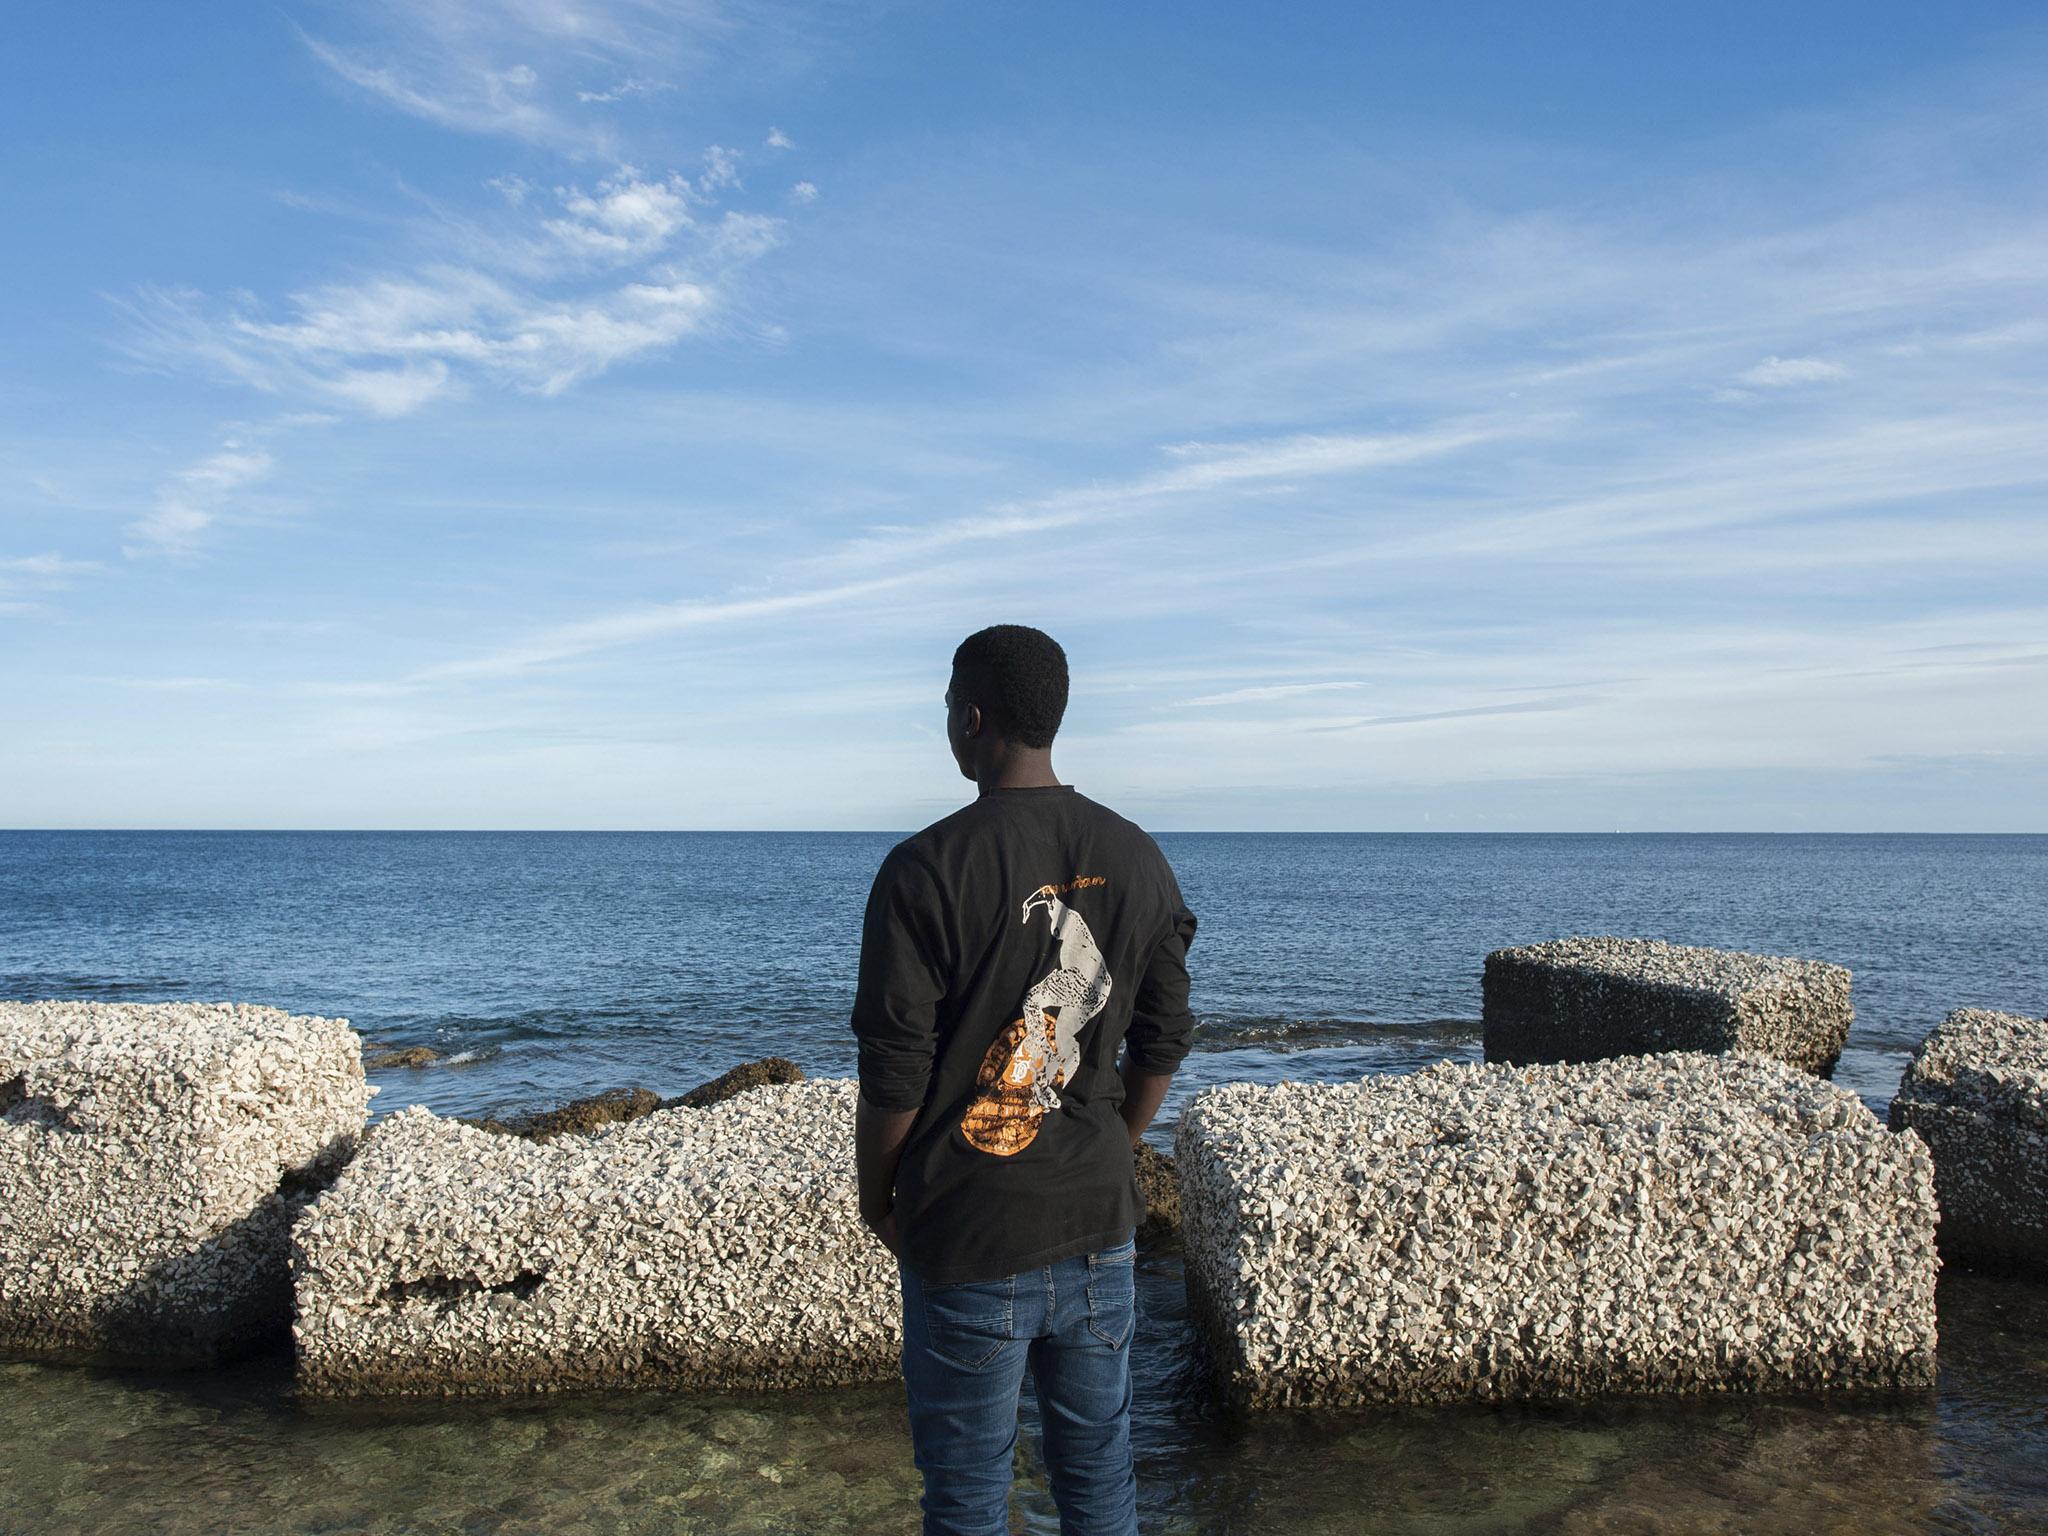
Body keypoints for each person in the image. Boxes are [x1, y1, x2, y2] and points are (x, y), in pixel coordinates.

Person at [851, 623, 1197, 1536]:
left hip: (969, 1224)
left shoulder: (925, 869)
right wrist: (1116, 1146)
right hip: (1097, 1220)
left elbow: (895, 1065)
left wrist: (877, 1196)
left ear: (973, 717)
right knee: (1100, 1482)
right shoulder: (1138, 857)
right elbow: (1162, 1037)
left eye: (948, 712)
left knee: (966, 1498)